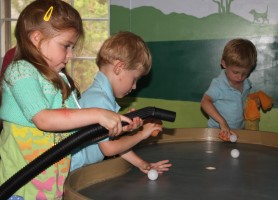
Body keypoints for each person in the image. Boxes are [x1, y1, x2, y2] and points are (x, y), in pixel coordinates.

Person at [0, 1, 133, 200]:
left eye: (73, 47)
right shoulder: (20, 71)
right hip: (19, 189)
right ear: (36, 39)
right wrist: (98, 113)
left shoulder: (61, 80)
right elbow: (43, 119)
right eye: (66, 46)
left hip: (51, 189)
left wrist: (115, 126)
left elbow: (78, 134)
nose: (70, 55)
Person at [70, 31, 172, 175]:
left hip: (79, 170)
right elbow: (109, 148)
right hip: (70, 172)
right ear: (118, 68)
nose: (135, 86)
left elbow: (111, 141)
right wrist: (142, 134)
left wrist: (142, 164)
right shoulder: (100, 100)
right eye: (134, 79)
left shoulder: (100, 97)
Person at [201, 38, 257, 138]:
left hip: (239, 131)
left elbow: (245, 104)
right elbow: (205, 102)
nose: (240, 77)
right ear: (224, 64)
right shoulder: (219, 84)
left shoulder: (246, 83)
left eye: (245, 73)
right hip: (218, 131)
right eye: (235, 72)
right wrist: (222, 122)